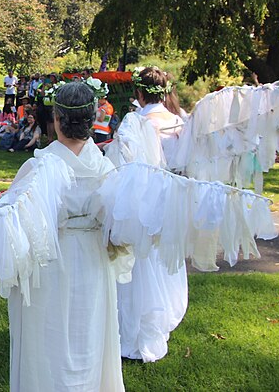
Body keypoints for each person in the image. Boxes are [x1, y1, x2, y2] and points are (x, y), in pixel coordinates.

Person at [0, 81, 124, 391]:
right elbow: (119, 231)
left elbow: (15, 226)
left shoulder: (39, 167)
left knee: (46, 339)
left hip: (50, 265)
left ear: (56, 119)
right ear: (92, 117)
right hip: (93, 263)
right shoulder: (107, 169)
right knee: (88, 335)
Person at [116, 66, 187, 363]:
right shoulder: (180, 122)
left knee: (138, 267)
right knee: (161, 263)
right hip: (171, 201)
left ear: (139, 93)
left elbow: (122, 165)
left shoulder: (134, 121)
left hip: (141, 202)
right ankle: (155, 325)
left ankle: (133, 334)